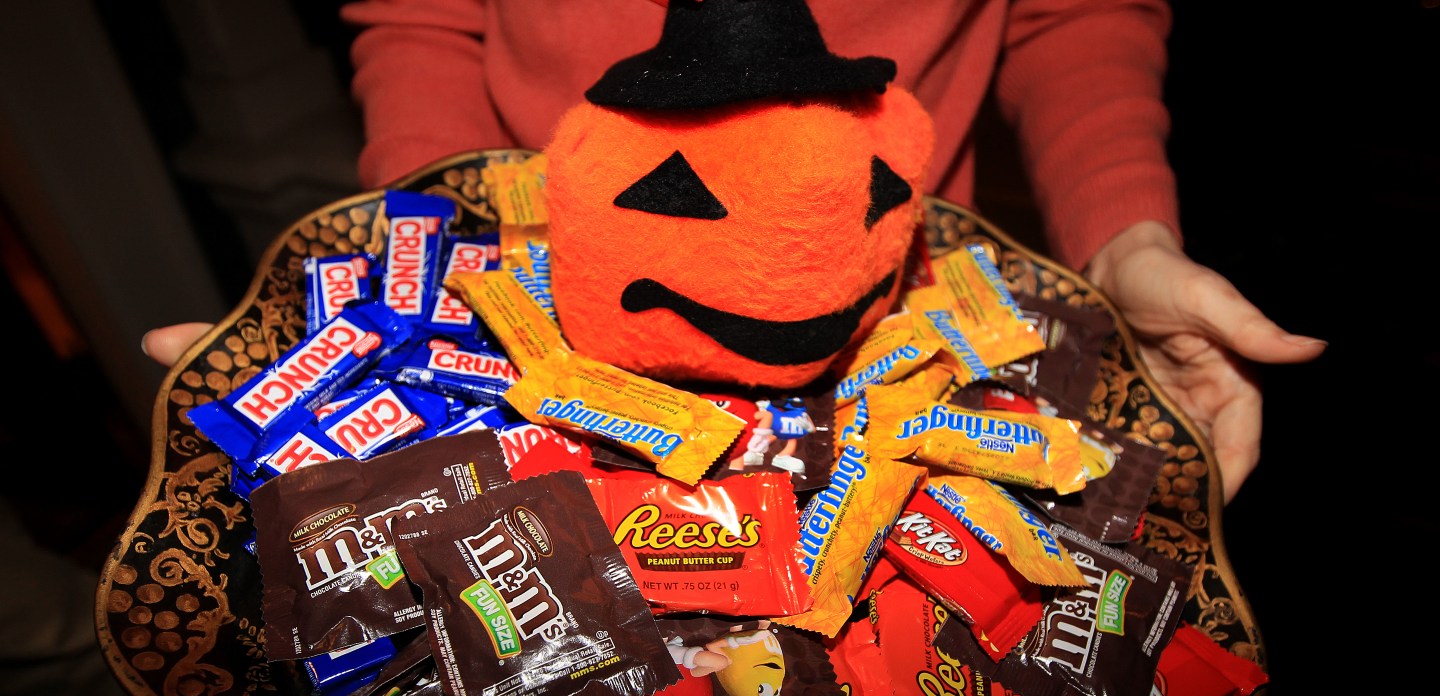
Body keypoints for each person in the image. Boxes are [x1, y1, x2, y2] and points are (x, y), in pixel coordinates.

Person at [141, 0, 1325, 506]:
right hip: (536, 267)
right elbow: (423, 17)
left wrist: (1125, 236)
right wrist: (414, 278)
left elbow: (1075, 11)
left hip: (897, 299)